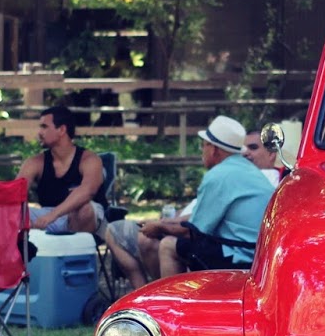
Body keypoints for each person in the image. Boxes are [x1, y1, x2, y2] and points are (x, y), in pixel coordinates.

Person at [105, 114, 275, 290]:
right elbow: (201, 217)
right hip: (259, 252)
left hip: (240, 254)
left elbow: (194, 231)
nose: (202, 151)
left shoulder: (218, 175)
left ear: (214, 149)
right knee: (174, 242)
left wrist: (160, 227)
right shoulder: (246, 169)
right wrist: (163, 222)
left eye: (203, 145)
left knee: (168, 245)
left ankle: (172, 304)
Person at [15, 105, 106, 234]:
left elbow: (88, 191)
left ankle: (76, 252)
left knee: (84, 209)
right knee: (13, 213)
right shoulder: (34, 163)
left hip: (84, 216)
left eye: (44, 127)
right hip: (47, 215)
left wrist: (53, 215)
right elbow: (14, 196)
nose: (39, 132)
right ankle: (27, 251)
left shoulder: (89, 159)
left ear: (62, 130)